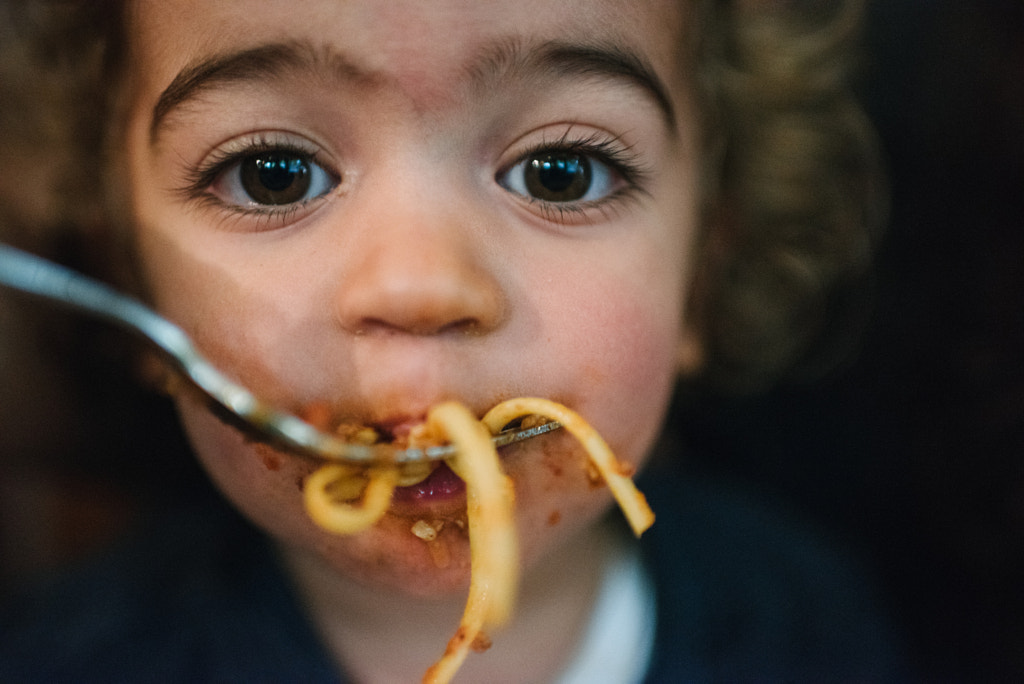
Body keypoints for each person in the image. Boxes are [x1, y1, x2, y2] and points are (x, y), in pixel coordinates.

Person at [0, 0, 901, 681]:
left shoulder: (804, 626)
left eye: (560, 173)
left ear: (702, 271)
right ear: (131, 284)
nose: (420, 286)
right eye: (274, 177)